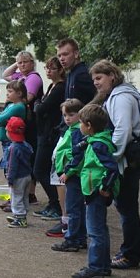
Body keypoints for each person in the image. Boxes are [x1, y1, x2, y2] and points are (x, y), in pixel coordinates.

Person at [90, 59, 140, 270]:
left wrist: (109, 158)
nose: (96, 83)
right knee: (125, 206)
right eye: (94, 79)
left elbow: (122, 131)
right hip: (127, 158)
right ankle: (129, 252)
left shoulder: (122, 97)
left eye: (99, 78)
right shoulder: (120, 95)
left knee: (127, 207)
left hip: (129, 160)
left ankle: (130, 255)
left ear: (112, 76)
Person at [71, 104, 120, 278]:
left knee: (94, 231)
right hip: (94, 189)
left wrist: (105, 188)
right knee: (100, 229)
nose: (79, 126)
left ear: (89, 126)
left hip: (96, 191)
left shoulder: (99, 145)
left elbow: (112, 169)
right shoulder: (95, 141)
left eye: (81, 123)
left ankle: (96, 267)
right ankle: (103, 265)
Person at [2, 50, 44, 204]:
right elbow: (5, 74)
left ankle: (29, 193)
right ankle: (22, 194)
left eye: (25, 62)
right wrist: (17, 63)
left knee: (26, 157)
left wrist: (13, 103)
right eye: (20, 62)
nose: (22, 65)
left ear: (32, 63)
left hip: (30, 122)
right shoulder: (21, 76)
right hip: (22, 120)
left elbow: (28, 98)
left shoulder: (32, 78)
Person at [34, 57, 67, 225]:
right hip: (43, 131)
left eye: (52, 69)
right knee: (43, 170)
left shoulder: (59, 88)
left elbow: (41, 108)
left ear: (60, 70)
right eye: (47, 68)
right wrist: (39, 105)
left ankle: (56, 204)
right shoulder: (51, 86)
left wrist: (39, 105)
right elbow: (39, 105)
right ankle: (53, 202)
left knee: (40, 170)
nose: (48, 71)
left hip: (50, 134)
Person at [52, 99, 87, 253]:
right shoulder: (71, 130)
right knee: (77, 207)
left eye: (71, 115)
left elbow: (78, 156)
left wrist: (68, 172)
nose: (67, 118)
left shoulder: (77, 132)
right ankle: (79, 238)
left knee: (73, 208)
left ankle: (72, 239)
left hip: (73, 175)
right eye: (65, 115)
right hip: (69, 173)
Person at [0, 80, 27, 211]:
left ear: (19, 93)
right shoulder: (11, 105)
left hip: (10, 142)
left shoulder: (18, 107)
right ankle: (11, 199)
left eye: (10, 91)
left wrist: (0, 118)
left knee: (10, 169)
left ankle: (14, 201)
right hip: (5, 141)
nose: (7, 94)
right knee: (7, 169)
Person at [4, 116, 33, 228]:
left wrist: (10, 179)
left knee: (16, 197)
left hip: (18, 177)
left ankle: (20, 218)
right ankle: (22, 215)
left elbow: (12, 165)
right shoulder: (26, 144)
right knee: (24, 196)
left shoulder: (13, 148)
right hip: (27, 175)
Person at [56, 38, 96, 104]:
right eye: (59, 56)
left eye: (65, 54)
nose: (61, 59)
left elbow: (95, 99)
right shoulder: (70, 74)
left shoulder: (83, 74)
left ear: (76, 54)